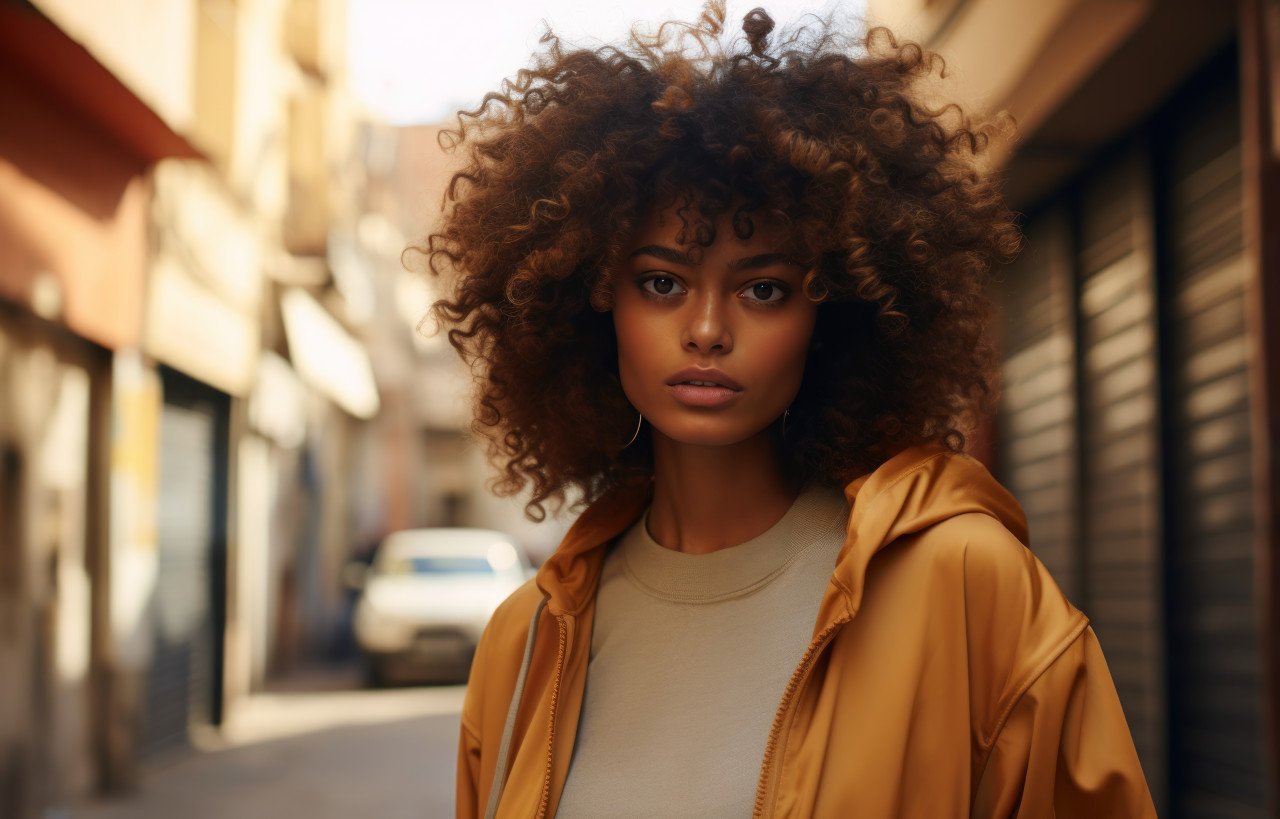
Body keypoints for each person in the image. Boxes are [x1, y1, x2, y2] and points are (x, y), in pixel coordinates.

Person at [426, 4, 1157, 816]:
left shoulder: (966, 585)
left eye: (763, 288)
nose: (706, 330)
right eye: (662, 281)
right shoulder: (525, 643)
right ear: (594, 303)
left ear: (830, 318)